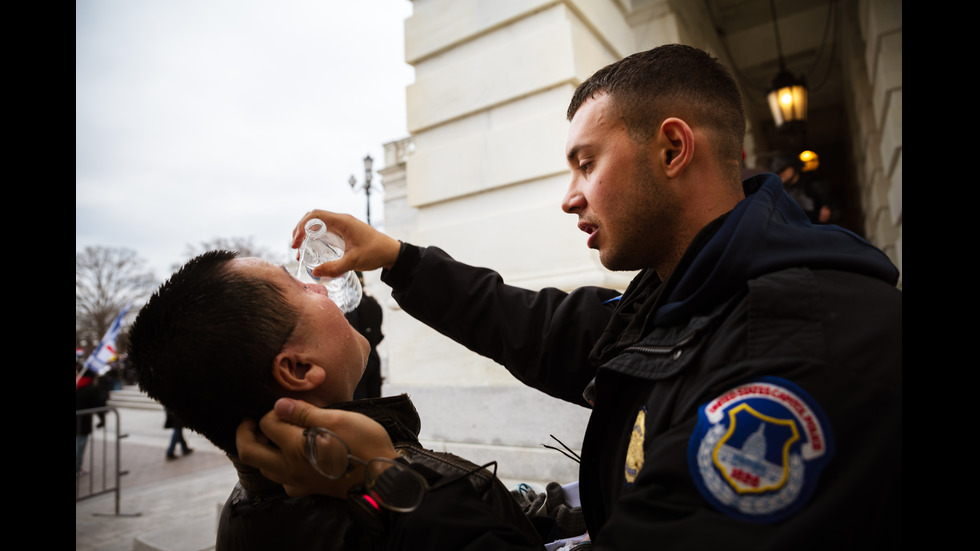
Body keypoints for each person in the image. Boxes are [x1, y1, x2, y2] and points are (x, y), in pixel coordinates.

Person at [237, 43, 902, 549]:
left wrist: (386, 476)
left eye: (586, 162)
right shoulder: (688, 289)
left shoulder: (794, 355)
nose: (570, 197)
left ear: (672, 148)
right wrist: (397, 257)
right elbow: (545, 328)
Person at [126, 250, 539, 550]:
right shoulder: (423, 488)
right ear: (300, 370)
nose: (319, 285)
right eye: (299, 287)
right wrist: (386, 479)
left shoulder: (247, 509)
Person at [345, 272, 384, 399]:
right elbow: (378, 334)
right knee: (375, 403)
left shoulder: (348, 306)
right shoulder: (374, 303)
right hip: (373, 357)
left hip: (358, 362)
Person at [770, 153, 835, 224]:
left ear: (793, 167)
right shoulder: (780, 191)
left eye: (783, 169)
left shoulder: (813, 185)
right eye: (777, 172)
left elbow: (834, 211)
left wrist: (827, 213)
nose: (780, 173)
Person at [76, 364, 106, 476]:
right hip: (82, 423)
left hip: (82, 422)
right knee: (79, 445)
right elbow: (98, 405)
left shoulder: (79, 385)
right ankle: (77, 468)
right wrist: (102, 419)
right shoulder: (91, 388)